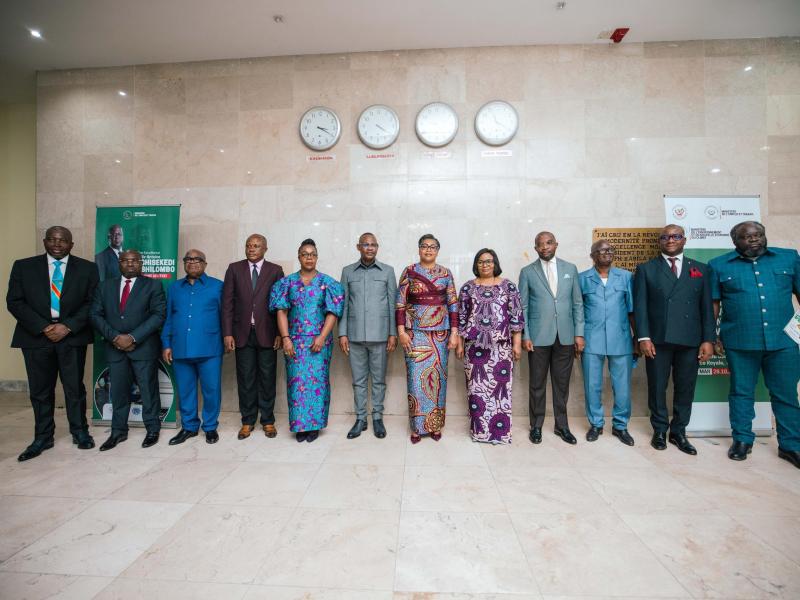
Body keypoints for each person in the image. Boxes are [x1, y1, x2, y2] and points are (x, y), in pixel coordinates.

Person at [709, 221, 800, 468]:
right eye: (747, 237)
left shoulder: (788, 258)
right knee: (741, 392)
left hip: (784, 342)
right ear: (735, 241)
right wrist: (712, 336)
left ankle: (791, 445)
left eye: (759, 235)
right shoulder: (718, 265)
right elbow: (714, 306)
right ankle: (742, 440)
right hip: (740, 341)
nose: (754, 239)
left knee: (786, 395)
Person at [6, 226, 99, 461]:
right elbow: (14, 301)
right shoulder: (23, 266)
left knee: (74, 388)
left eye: (63, 240)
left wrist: (67, 326)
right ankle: (42, 437)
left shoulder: (88, 268)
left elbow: (92, 302)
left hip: (72, 336)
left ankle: (80, 432)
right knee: (40, 391)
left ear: (71, 244)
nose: (58, 244)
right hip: (35, 337)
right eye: (53, 239)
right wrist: (44, 327)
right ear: (45, 241)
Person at [634, 224, 715, 455]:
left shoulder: (700, 269)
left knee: (685, 387)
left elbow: (706, 308)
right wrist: (643, 337)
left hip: (690, 340)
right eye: (665, 237)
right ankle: (659, 430)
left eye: (675, 236)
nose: (670, 240)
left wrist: (708, 339)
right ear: (660, 241)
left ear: (684, 240)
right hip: (658, 339)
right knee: (657, 387)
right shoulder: (646, 269)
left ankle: (679, 431)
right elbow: (640, 308)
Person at [90, 249, 166, 450]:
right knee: (119, 391)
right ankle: (118, 432)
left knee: (149, 390)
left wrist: (132, 337)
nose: (130, 264)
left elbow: (158, 315)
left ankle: (152, 429)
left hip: (143, 347)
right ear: (119, 263)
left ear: (141, 263)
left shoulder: (153, 285)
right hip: (115, 348)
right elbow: (96, 315)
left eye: (135, 260)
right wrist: (115, 337)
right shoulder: (104, 286)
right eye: (126, 260)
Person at [270, 239, 344, 442]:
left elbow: (332, 313)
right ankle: (300, 426)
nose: (309, 257)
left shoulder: (328, 283)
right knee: (296, 383)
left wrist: (321, 337)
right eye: (305, 254)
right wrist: (285, 338)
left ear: (317, 257)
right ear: (299, 256)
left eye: (312, 254)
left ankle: (315, 426)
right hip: (294, 342)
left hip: (319, 342)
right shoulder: (287, 282)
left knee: (318, 383)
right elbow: (282, 311)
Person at [518, 231, 585, 445]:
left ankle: (561, 426)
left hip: (565, 336)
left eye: (548, 243)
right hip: (537, 337)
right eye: (540, 244)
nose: (545, 247)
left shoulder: (570, 269)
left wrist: (579, 334)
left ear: (556, 244)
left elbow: (577, 304)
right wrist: (525, 335)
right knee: (537, 383)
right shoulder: (527, 272)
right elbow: (523, 307)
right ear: (535, 248)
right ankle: (536, 426)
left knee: (562, 383)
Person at [456, 249, 523, 444]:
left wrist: (517, 344)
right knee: (477, 391)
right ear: (476, 265)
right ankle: (480, 432)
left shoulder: (508, 286)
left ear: (495, 264)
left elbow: (516, 316)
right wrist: (460, 344)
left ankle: (500, 433)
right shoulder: (468, 288)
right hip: (474, 348)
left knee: (500, 389)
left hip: (501, 348)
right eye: (481, 262)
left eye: (489, 261)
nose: (485, 265)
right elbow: (461, 317)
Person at [396, 234, 459, 444]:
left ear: (438, 250)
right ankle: (416, 428)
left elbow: (453, 304)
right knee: (415, 380)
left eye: (433, 247)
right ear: (419, 249)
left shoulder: (446, 273)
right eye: (424, 246)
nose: (428, 250)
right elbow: (399, 304)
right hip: (414, 333)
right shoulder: (409, 271)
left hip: (440, 334)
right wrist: (401, 331)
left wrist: (455, 333)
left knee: (438, 379)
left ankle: (435, 425)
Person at [222, 234, 284, 440]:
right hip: (242, 334)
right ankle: (247, 421)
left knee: (267, 378)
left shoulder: (275, 271)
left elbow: (281, 305)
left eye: (256, 246)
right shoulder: (234, 269)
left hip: (267, 333)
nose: (251, 249)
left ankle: (267, 420)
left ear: (265, 249)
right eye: (248, 245)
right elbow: (227, 304)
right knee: (246, 379)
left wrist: (279, 333)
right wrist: (228, 333)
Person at [161, 250, 224, 445]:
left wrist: (228, 339)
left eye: (198, 260)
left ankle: (210, 427)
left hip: (210, 348)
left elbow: (226, 317)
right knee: (186, 390)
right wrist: (166, 344)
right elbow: (168, 317)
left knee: (211, 390)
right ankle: (189, 427)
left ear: (205, 264)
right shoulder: (174, 288)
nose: (193, 262)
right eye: (189, 259)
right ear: (184, 263)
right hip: (180, 347)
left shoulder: (217, 286)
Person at [338, 233, 398, 439]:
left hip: (380, 335)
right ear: (358, 247)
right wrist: (342, 333)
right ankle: (360, 419)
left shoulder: (388, 272)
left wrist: (392, 333)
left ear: (377, 247)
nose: (370, 248)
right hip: (354, 336)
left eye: (373, 245)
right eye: (366, 244)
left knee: (379, 380)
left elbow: (392, 305)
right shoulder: (347, 272)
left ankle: (378, 418)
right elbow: (343, 305)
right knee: (359, 380)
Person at [578, 240, 636, 446]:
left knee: (622, 386)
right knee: (592, 384)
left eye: (610, 250)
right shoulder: (582, 278)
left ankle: (620, 425)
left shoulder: (626, 277)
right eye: (601, 250)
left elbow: (632, 311)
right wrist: (578, 337)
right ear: (592, 255)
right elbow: (577, 310)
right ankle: (596, 424)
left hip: (621, 339)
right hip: (591, 339)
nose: (607, 253)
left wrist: (637, 338)